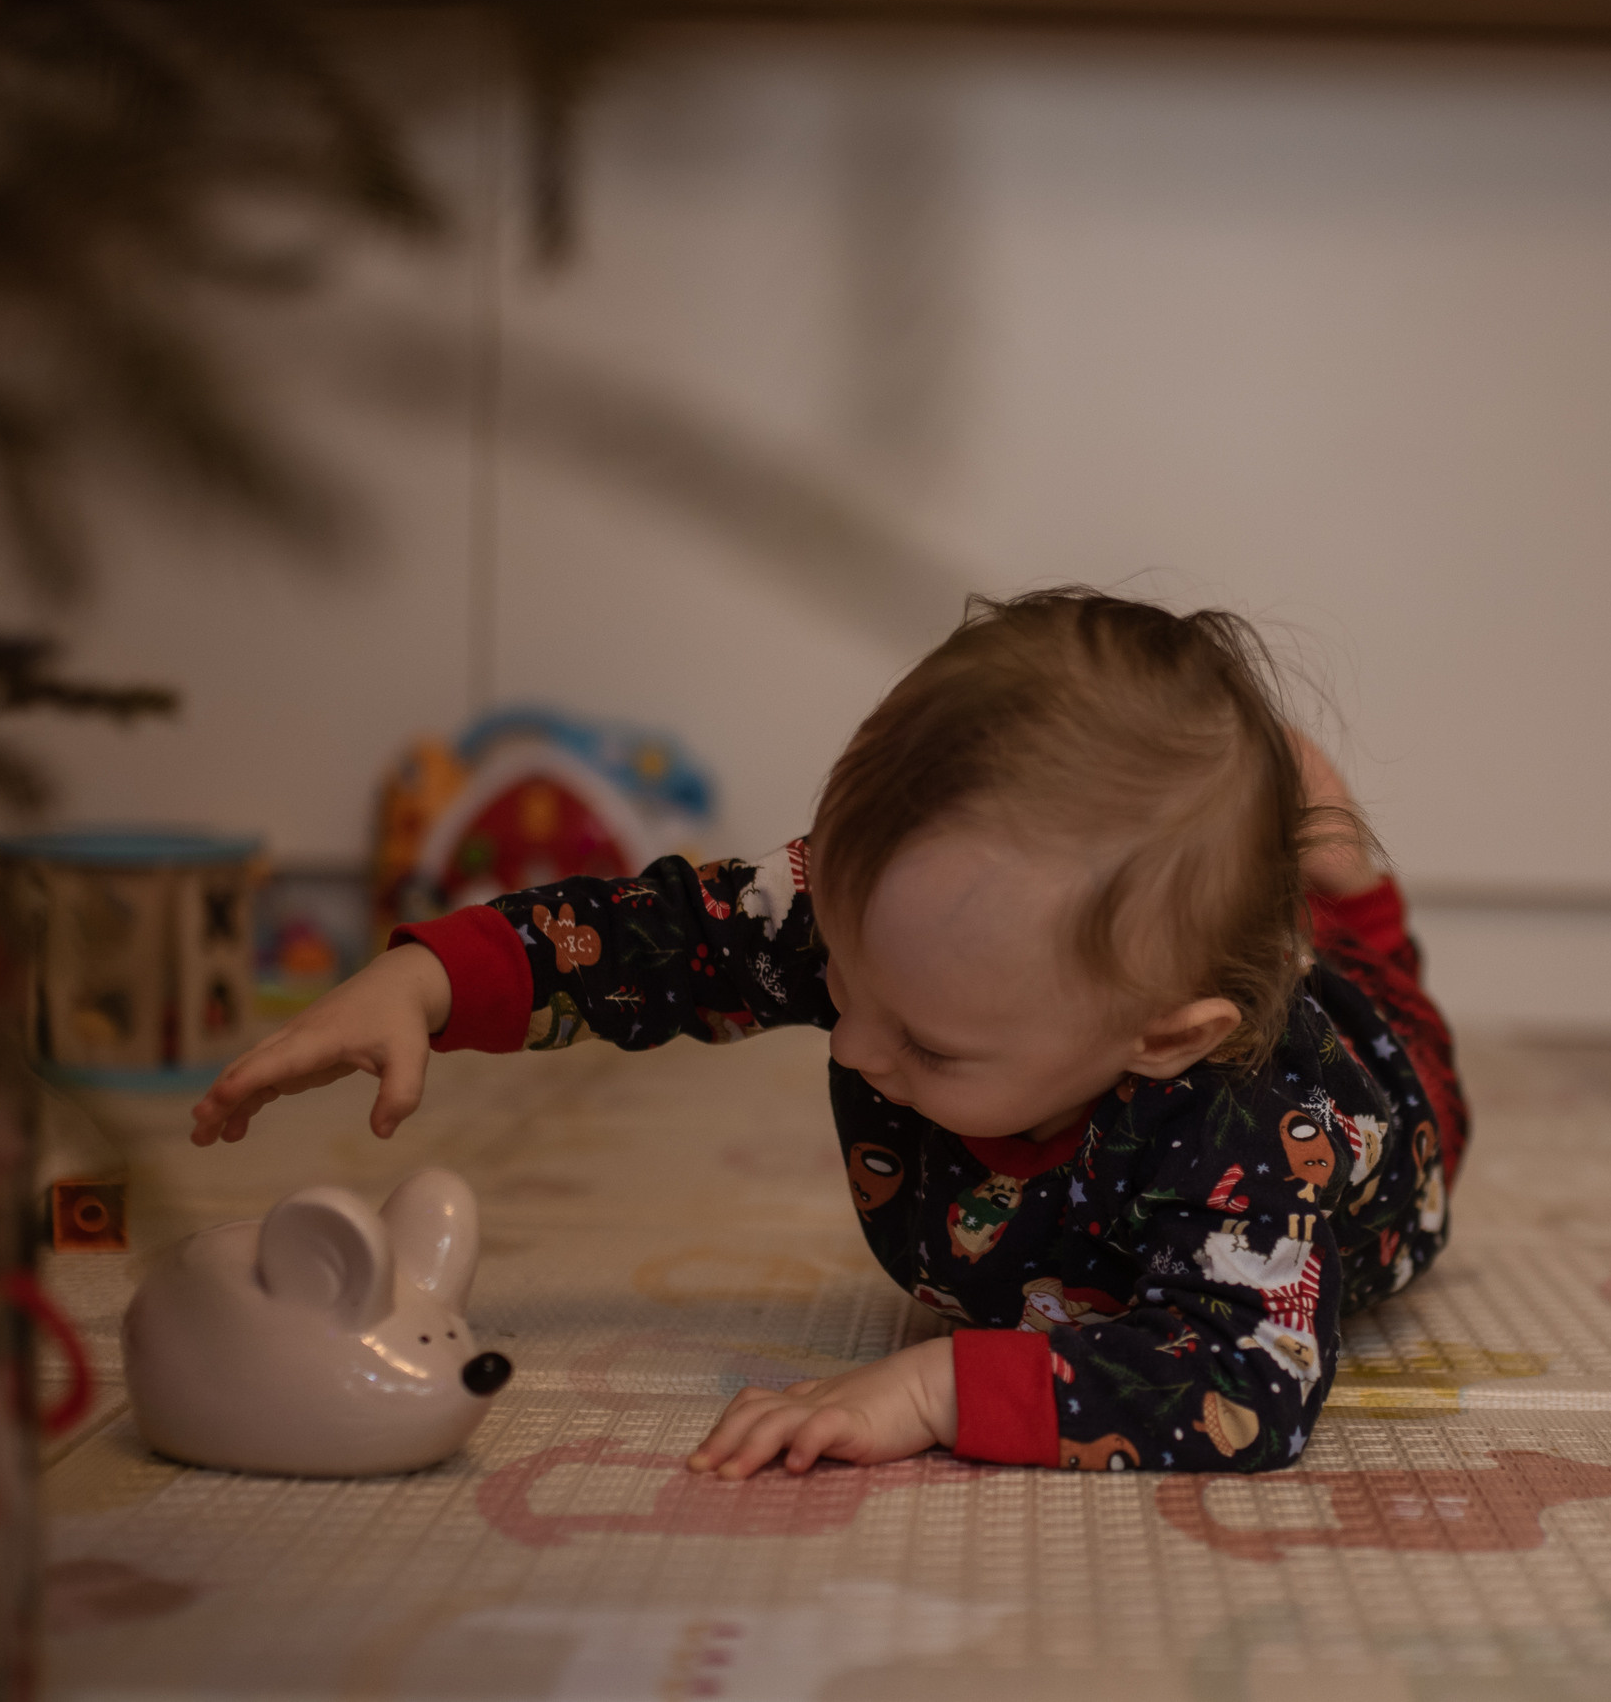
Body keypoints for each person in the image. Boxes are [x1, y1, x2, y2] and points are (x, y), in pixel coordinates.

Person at [192, 590, 1466, 1478]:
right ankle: (1311, 864)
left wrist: (934, 1388)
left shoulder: (1246, 1130)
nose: (851, 1044)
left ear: (1157, 1037)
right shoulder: (893, 931)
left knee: (1390, 1021)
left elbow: (1247, 1384)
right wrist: (423, 979)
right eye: (839, 979)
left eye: (927, 1044)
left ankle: (1344, 888)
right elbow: (660, 935)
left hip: (1367, 1096)